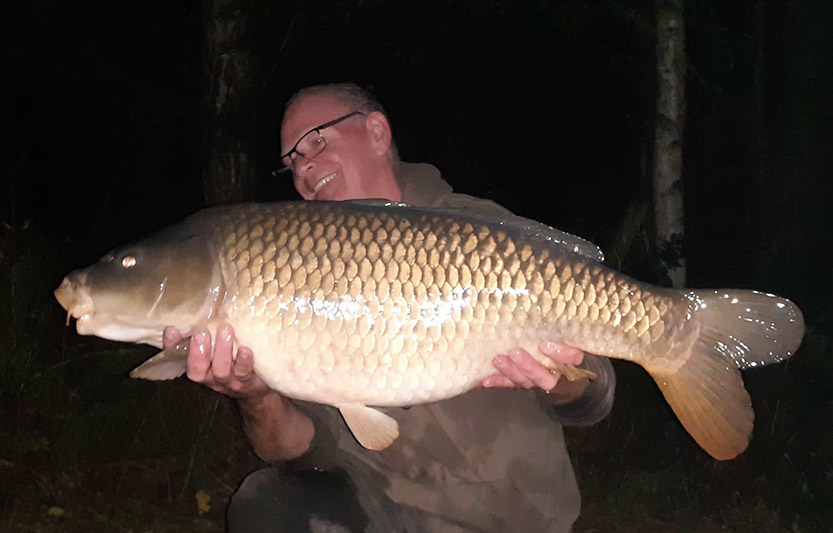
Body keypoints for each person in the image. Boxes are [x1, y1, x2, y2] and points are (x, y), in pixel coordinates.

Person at [164, 83, 616, 532]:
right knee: (268, 507)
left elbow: (596, 394)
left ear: (378, 133)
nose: (304, 169)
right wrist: (255, 394)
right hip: (382, 514)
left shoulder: (478, 231)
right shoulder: (293, 272)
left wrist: (561, 383)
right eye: (292, 162)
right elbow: (302, 453)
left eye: (316, 142)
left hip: (515, 518)